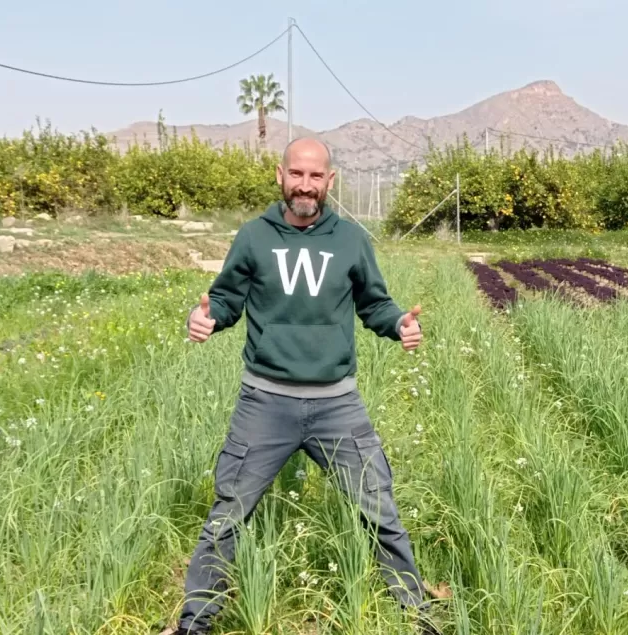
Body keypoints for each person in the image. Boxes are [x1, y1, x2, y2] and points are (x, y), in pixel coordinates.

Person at [171, 137, 441, 634]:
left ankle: (417, 616)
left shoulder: (351, 241)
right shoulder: (254, 237)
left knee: (379, 507)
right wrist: (204, 316)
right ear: (280, 175)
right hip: (265, 402)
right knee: (227, 515)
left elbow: (373, 304)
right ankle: (195, 623)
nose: (306, 185)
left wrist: (398, 322)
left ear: (329, 181)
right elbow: (226, 298)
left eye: (316, 177)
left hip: (336, 405)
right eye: (297, 174)